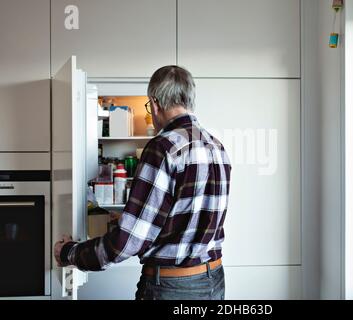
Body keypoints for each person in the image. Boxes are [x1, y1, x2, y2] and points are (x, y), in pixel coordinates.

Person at [54, 65, 232, 300]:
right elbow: (190, 219)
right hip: (213, 279)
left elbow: (126, 243)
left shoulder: (163, 148)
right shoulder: (216, 146)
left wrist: (70, 253)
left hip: (171, 287)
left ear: (155, 103)